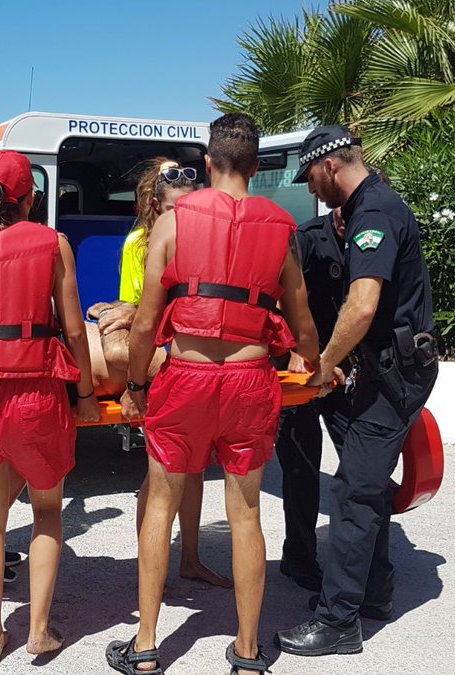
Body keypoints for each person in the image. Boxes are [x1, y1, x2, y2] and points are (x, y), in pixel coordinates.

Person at [108, 113, 321, 675]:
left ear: (207, 163)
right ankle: (248, 652)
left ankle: (146, 646)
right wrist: (319, 365)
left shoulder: (173, 222)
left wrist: (135, 385)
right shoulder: (282, 227)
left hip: (185, 379)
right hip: (251, 382)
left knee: (161, 501)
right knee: (246, 512)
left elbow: (146, 323)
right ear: (257, 165)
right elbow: (302, 323)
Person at [275, 126, 439, 658]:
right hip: (384, 371)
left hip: (393, 376)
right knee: (365, 487)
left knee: (354, 491)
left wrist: (324, 364)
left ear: (330, 166)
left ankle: (338, 621)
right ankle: (373, 591)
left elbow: (364, 305)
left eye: (311, 178)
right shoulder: (371, 207)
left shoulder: (374, 212)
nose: (311, 189)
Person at [0, 150, 100, 667]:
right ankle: (38, 631)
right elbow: (74, 331)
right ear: (30, 197)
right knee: (47, 511)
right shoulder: (53, 244)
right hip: (35, 394)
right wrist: (87, 396)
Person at [87, 158, 230, 588]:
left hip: (188, 355)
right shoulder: (138, 244)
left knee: (193, 469)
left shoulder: (208, 237)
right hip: (168, 362)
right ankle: (151, 572)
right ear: (155, 206)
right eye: (174, 211)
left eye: (190, 209)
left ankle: (190, 559)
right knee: (161, 473)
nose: (183, 219)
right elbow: (136, 312)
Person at [273, 207, 350, 592]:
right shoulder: (306, 239)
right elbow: (278, 299)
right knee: (301, 467)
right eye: (341, 210)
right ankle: (299, 556)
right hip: (299, 367)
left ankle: (358, 559)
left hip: (342, 367)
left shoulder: (374, 234)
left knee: (359, 465)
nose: (345, 218)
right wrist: (293, 351)